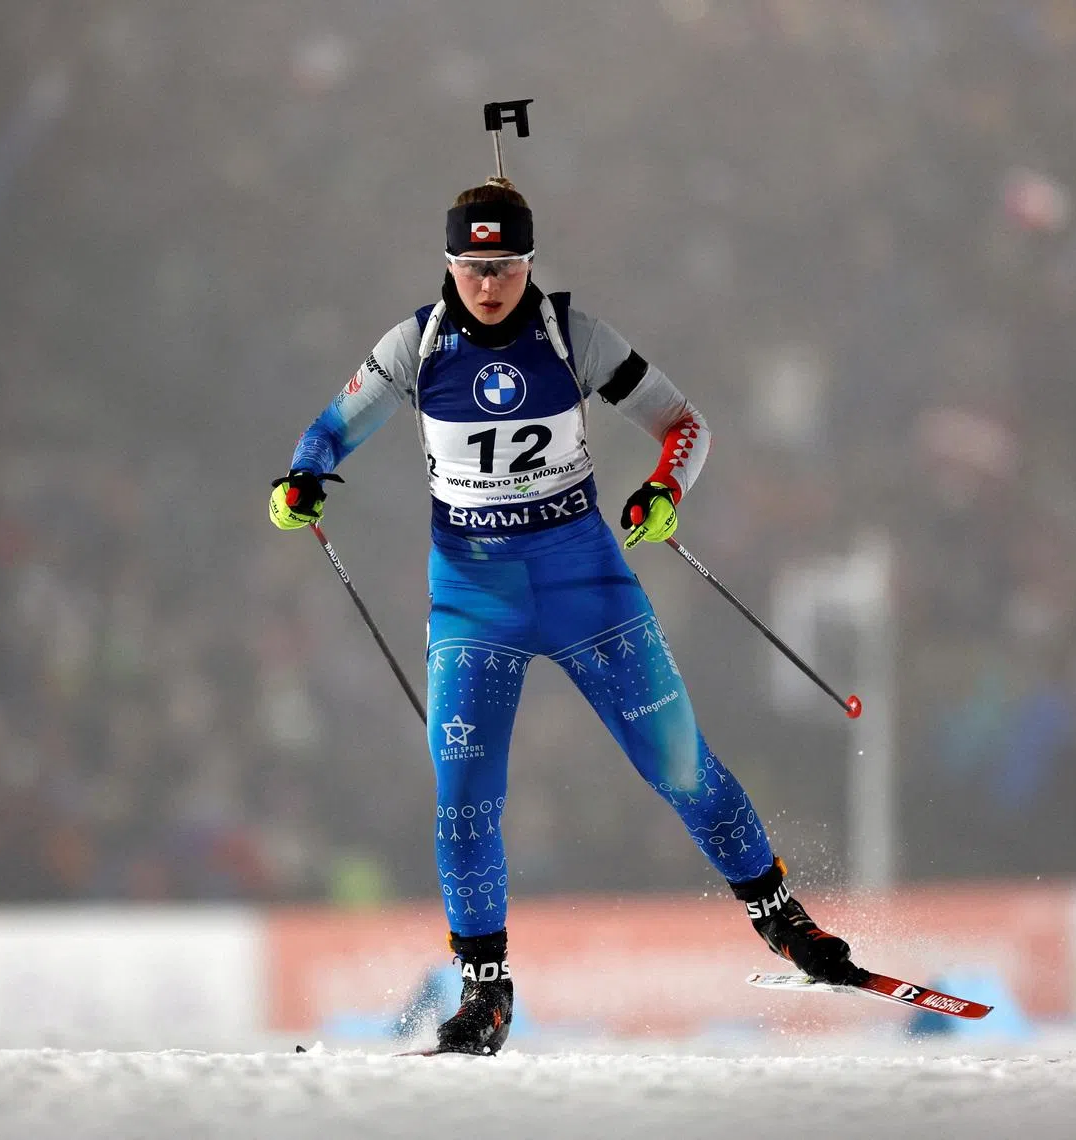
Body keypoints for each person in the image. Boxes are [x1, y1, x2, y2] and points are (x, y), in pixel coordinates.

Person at [269, 177, 863, 1055]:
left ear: (529, 262)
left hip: (585, 584)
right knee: (465, 798)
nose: (489, 283)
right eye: (473, 266)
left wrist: (665, 490)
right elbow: (327, 430)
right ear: (449, 264)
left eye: (504, 264)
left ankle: (784, 921)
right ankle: (486, 992)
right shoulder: (416, 343)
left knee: (682, 766)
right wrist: (300, 480)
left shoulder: (571, 334)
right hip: (475, 598)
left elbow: (684, 423)